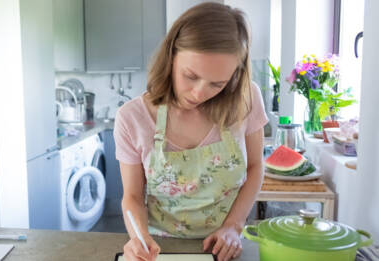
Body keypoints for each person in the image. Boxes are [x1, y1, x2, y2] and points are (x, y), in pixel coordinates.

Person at [113, 3, 268, 261]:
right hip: (161, 247)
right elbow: (132, 196)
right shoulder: (132, 118)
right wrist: (138, 238)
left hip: (225, 244)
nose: (199, 93)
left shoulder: (247, 98)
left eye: (217, 84)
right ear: (171, 55)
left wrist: (234, 226)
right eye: (190, 76)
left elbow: (255, 167)